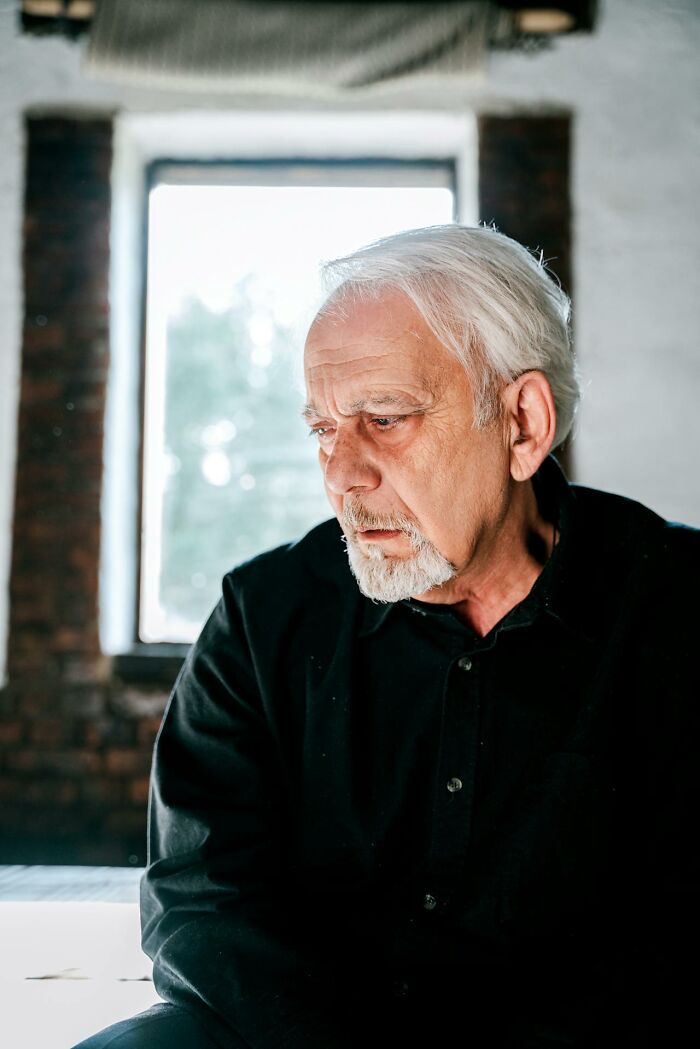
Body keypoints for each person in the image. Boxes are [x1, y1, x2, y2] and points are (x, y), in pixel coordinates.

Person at [75, 225, 698, 1049]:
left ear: (522, 424)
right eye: (324, 429)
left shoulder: (680, 612)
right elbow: (202, 903)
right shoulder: (264, 618)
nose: (342, 472)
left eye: (386, 419)